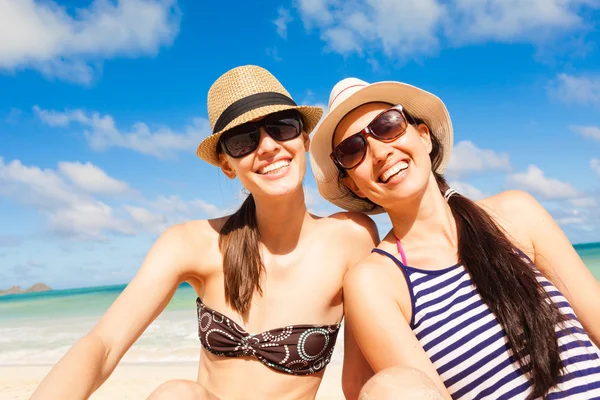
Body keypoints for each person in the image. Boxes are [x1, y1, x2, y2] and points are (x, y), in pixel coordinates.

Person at [30, 66, 379, 400]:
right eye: (244, 140)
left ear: (304, 138)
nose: (269, 146)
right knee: (177, 394)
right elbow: (103, 344)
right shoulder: (192, 243)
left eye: (281, 126)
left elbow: (361, 382)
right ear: (227, 164)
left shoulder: (351, 238)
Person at [309, 77, 600, 399]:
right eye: (353, 150)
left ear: (423, 136)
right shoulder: (377, 281)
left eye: (387, 125)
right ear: (354, 186)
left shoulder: (516, 214)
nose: (379, 152)